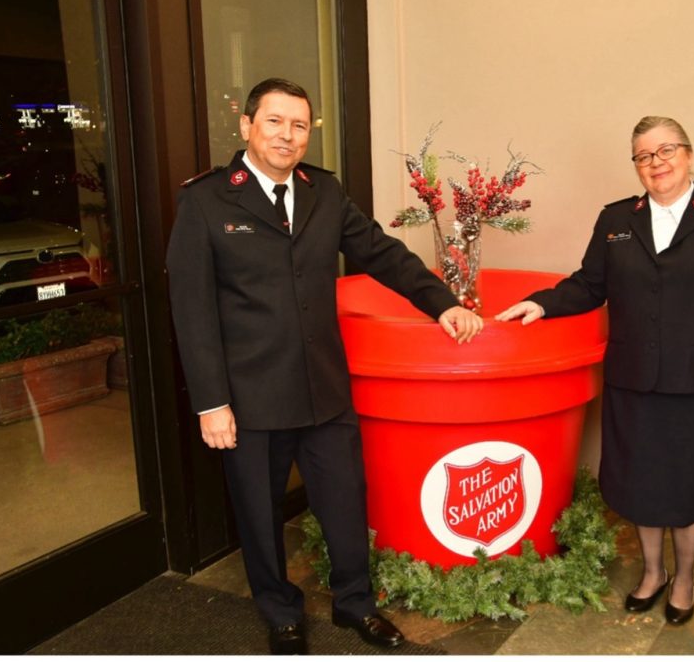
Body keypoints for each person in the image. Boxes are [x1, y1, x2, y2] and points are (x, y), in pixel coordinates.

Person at [166, 78, 483, 654]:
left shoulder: (324, 192)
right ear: (246, 126)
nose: (287, 136)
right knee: (259, 515)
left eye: (298, 125)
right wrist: (211, 402)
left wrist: (443, 303)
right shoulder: (206, 201)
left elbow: (382, 253)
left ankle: (355, 605)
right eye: (274, 122)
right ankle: (280, 612)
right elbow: (191, 310)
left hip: (324, 390)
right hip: (250, 397)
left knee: (343, 503)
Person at [496, 116, 694, 626]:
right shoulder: (616, 219)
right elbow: (587, 284)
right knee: (642, 480)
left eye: (666, 150)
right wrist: (541, 304)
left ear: (688, 154)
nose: (656, 162)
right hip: (633, 378)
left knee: (690, 483)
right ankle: (652, 572)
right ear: (637, 167)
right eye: (644, 156)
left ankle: (684, 578)